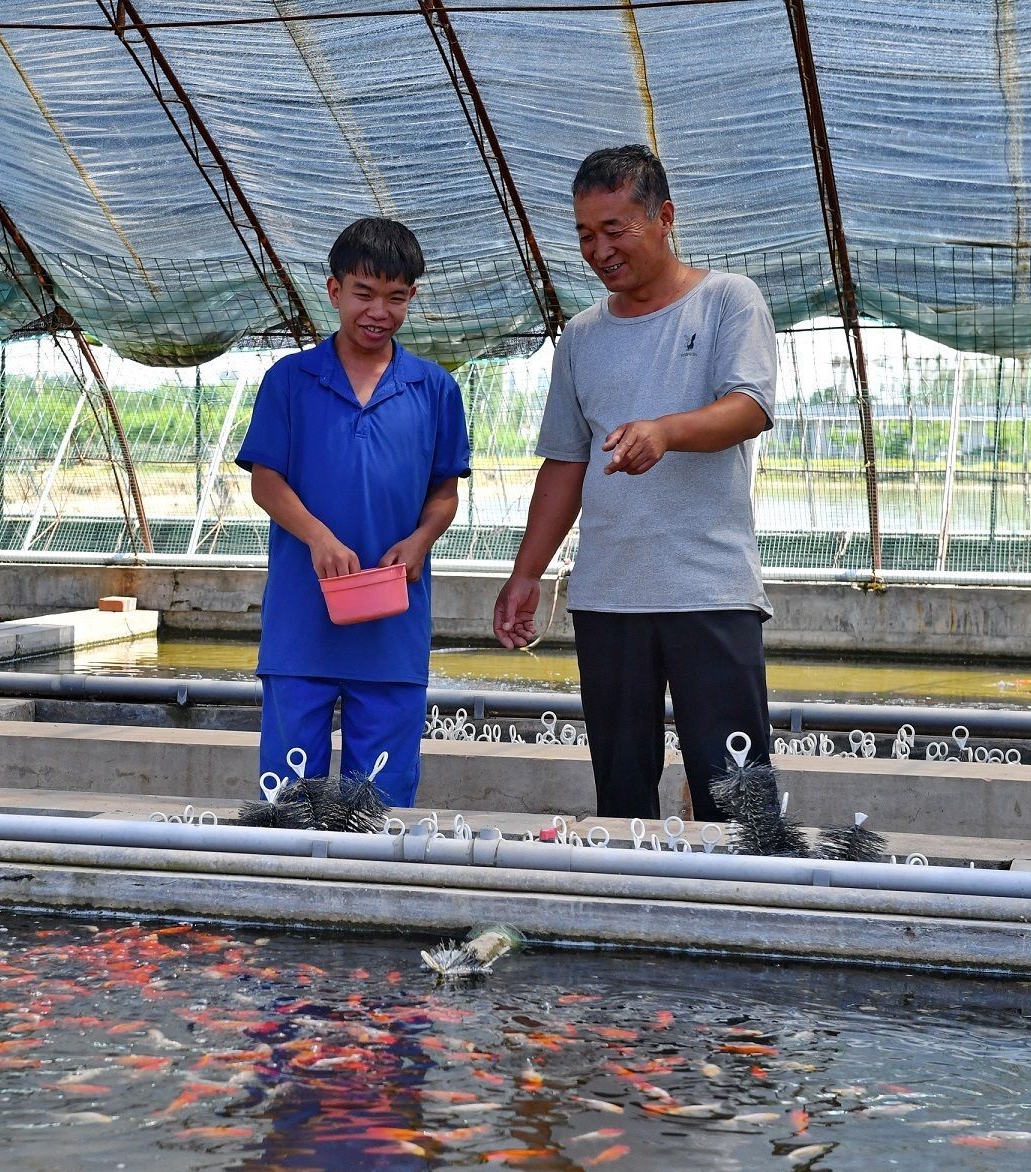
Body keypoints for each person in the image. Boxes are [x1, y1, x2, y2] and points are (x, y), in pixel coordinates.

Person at [492, 145, 777, 822]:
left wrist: (666, 431)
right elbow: (565, 462)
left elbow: (751, 406)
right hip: (608, 597)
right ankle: (636, 911)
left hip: (708, 589)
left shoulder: (726, 301)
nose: (598, 249)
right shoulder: (582, 338)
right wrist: (527, 572)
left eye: (615, 230)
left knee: (737, 788)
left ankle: (748, 913)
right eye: (586, 235)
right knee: (622, 792)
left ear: (665, 217)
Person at [236, 217, 471, 808]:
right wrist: (317, 538)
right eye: (364, 293)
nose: (378, 311)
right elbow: (267, 482)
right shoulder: (289, 381)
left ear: (412, 297)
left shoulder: (435, 389)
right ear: (334, 290)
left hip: (392, 626)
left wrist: (421, 540)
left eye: (395, 298)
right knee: (288, 802)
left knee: (382, 806)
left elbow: (445, 491)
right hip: (302, 623)